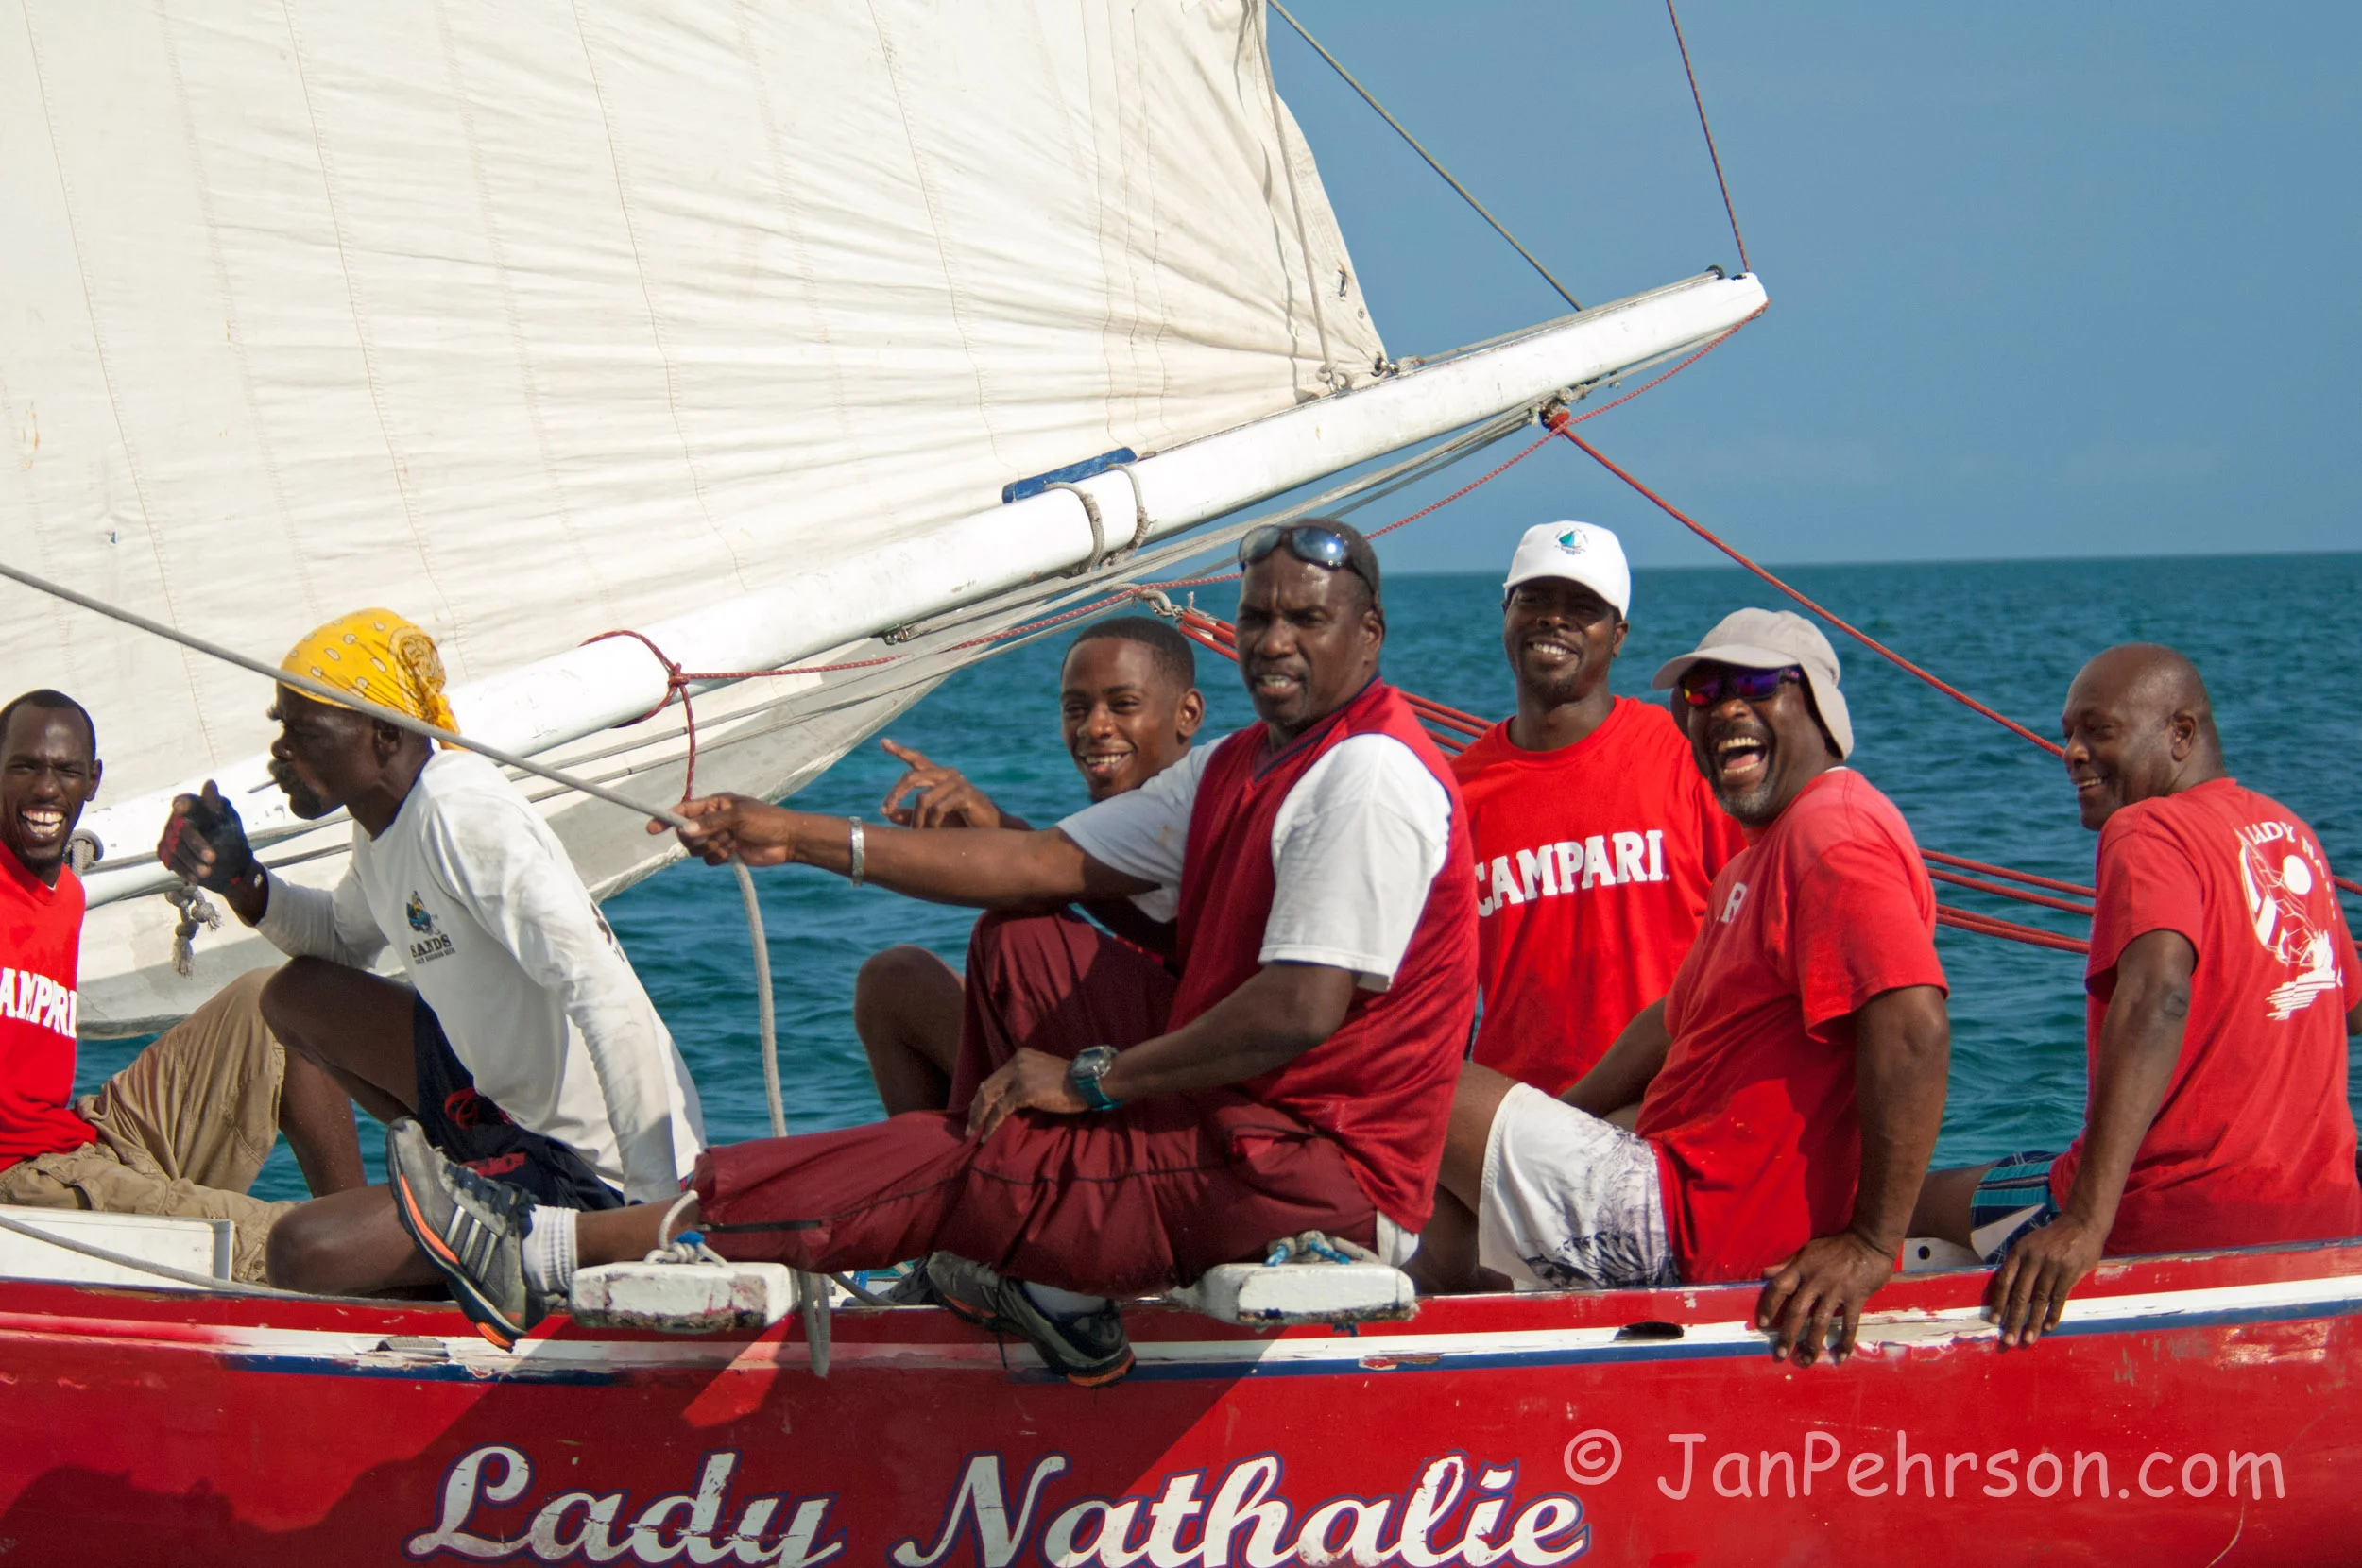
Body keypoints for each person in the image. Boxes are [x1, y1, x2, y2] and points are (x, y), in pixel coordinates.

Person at [385, 519, 1477, 1385]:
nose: (1275, 640)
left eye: (1308, 620)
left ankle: (557, 1252)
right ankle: (1021, 1248)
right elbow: (1040, 864)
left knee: (972, 1165)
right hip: (1240, 1124)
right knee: (1021, 942)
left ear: (1368, 637)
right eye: (1257, 617)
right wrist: (799, 837)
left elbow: (1297, 1012)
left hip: (1315, 1174)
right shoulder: (1246, 759)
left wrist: (1090, 1079)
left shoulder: (1365, 777)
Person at [1416, 609, 1951, 1369]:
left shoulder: (1832, 833)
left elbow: (1914, 1026)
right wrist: (1548, 1119)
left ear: (1821, 709)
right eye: (1702, 696)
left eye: (1758, 684)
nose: (1726, 707)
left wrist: (1870, 1244)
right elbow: (1671, 1024)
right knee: (1447, 1207)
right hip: (1674, 1185)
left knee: (1404, 1069)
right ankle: (1420, 1367)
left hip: (1688, 1229)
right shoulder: (1754, 858)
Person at [154, 610, 706, 1296]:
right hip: (499, 1116)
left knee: (302, 1249)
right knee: (295, 996)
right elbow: (338, 941)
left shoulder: (463, 816)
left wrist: (652, 1205)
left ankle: (501, 1235)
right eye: (281, 728)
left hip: (593, 1167)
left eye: (303, 730)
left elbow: (606, 997)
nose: (281, 752)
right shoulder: (386, 821)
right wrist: (243, 880)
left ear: (382, 733)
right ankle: (415, 1222)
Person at [1912, 644, 2361, 1348]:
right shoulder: (2290, 834)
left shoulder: (2146, 830)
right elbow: (2349, 1006)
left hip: (2177, 1217)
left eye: (2100, 731)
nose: (2074, 753)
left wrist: (2086, 1223)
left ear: (2180, 734)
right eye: (2068, 733)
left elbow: (2158, 995)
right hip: (2326, 1218)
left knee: (1900, 1204)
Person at [0, 689, 364, 1282]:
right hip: (21, 1180)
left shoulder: (63, 895)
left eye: (65, 771)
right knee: (287, 1242)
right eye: (23, 767)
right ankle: (368, 1264)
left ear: (92, 782)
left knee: (280, 1000)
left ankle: (355, 1221)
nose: (46, 789)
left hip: (80, 1139)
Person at [852, 617, 1204, 1115]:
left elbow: (1044, 875)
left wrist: (790, 836)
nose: (1093, 727)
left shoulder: (1197, 806)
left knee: (1018, 936)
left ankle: (964, 1161)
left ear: (1187, 713)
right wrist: (990, 822)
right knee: (893, 980)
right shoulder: (1112, 828)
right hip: (1098, 1040)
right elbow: (1066, 870)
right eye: (1074, 710)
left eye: (1123, 705)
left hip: (1162, 1074)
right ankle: (943, 1162)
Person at [1451, 520, 1743, 1095]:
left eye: (1582, 606)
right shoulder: (1456, 795)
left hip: (1668, 1103)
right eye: (1533, 599)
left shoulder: (1686, 760)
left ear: (1618, 635)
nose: (1553, 618)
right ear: (1505, 615)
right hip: (1517, 1120)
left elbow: (1758, 941)